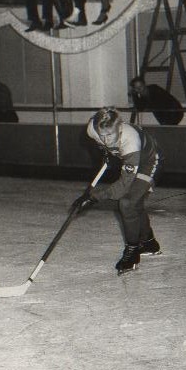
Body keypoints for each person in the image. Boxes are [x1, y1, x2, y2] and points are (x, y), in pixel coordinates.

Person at [75, 107, 163, 274]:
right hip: (131, 159)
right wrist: (105, 151)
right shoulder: (92, 130)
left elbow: (123, 186)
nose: (106, 140)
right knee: (134, 204)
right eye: (102, 136)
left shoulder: (130, 142)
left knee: (127, 203)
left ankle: (132, 251)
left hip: (150, 161)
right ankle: (149, 243)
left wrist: (94, 197)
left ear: (120, 128)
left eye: (110, 135)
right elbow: (101, 143)